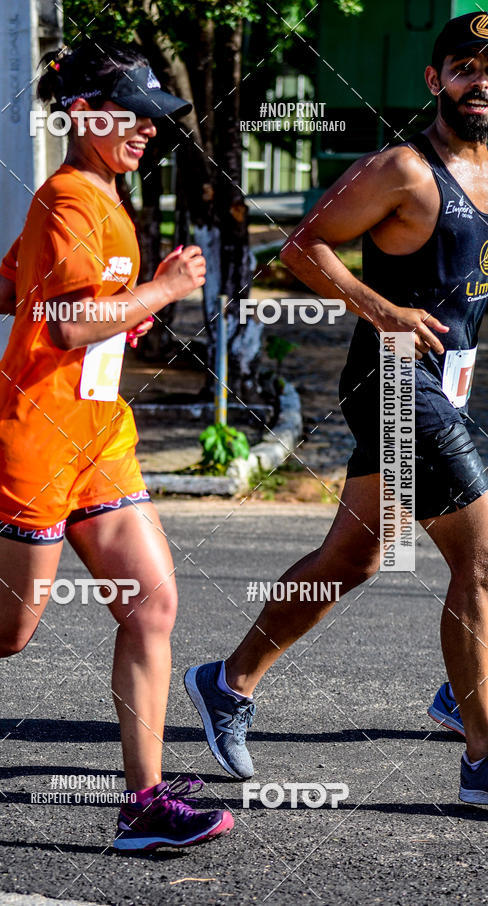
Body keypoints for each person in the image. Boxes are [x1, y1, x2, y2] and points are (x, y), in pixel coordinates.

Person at [0, 39, 233, 851]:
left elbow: (12, 290)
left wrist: (127, 310)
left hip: (97, 431)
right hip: (31, 440)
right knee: (2, 633)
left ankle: (142, 804)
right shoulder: (71, 199)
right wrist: (162, 290)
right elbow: (64, 321)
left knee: (151, 604)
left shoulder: (95, 196)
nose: (151, 130)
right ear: (82, 114)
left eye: (157, 119)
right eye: (136, 115)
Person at [185, 12, 488, 805]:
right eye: (464, 67)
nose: (480, 81)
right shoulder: (405, 169)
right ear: (435, 80)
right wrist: (378, 307)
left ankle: (228, 682)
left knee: (350, 560)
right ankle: (482, 754)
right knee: (483, 560)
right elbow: (303, 245)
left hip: (447, 384)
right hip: (392, 381)